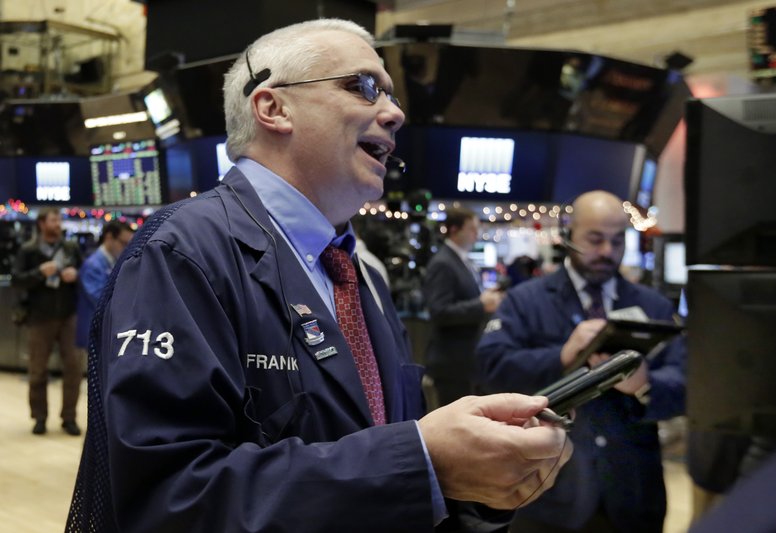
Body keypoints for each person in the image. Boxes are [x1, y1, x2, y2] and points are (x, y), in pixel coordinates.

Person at [66, 19, 572, 533]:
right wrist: (421, 462)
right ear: (273, 107)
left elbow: (384, 455)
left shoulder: (360, 273)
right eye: (364, 86)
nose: (395, 114)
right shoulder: (181, 252)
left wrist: (475, 490)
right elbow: (167, 501)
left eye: (392, 95)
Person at [476, 190, 686, 532]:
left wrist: (646, 383)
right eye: (595, 239)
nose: (607, 251)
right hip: (548, 491)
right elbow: (488, 370)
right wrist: (560, 356)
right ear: (569, 235)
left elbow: (686, 387)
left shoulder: (654, 306)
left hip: (632, 493)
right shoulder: (524, 300)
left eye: (617, 241)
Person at [11, 207, 83, 436]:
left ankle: (69, 417)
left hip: (69, 315)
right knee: (37, 370)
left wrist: (76, 275)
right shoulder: (28, 250)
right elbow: (17, 280)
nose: (58, 223)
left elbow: (85, 272)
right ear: (42, 223)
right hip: (39, 317)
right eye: (53, 220)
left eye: (59, 219)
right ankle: (39, 417)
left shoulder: (70, 248)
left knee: (74, 367)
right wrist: (39, 273)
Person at [423, 206, 505, 407]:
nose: (476, 235)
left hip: (466, 359)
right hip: (451, 361)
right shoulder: (443, 262)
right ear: (454, 230)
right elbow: (439, 311)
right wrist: (480, 305)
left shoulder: (461, 259)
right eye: (472, 229)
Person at [75, 219, 134, 352]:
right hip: (97, 331)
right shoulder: (93, 265)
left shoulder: (113, 261)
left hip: (108, 330)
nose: (126, 249)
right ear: (109, 237)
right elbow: (102, 301)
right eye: (124, 243)